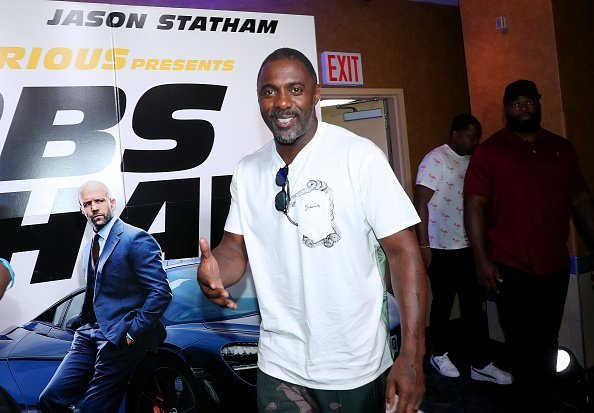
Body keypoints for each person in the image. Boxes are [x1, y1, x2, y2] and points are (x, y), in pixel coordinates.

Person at [197, 47, 427, 413]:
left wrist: (413, 354)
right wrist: (213, 274)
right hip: (278, 363)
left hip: (354, 364)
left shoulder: (358, 156)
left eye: (295, 89)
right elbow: (234, 248)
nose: (282, 102)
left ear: (316, 94)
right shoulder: (248, 169)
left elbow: (405, 254)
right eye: (269, 91)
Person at [464, 80, 594, 412]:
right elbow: (474, 205)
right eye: (515, 104)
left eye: (528, 102)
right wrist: (481, 260)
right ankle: (528, 402)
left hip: (555, 264)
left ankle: (545, 397)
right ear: (506, 109)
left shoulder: (561, 148)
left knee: (548, 338)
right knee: (521, 343)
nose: (523, 108)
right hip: (509, 266)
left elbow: (580, 199)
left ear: (538, 103)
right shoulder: (489, 151)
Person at [39, 181, 172, 413]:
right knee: (50, 399)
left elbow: (160, 292)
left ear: (112, 203)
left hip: (119, 337)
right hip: (87, 335)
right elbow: (95, 292)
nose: (94, 208)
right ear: (82, 210)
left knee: (94, 409)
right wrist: (81, 322)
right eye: (87, 204)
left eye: (99, 201)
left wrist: (132, 332)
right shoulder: (89, 245)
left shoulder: (135, 239)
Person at [414, 114, 512, 385]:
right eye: (471, 136)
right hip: (441, 248)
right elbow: (419, 202)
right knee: (443, 303)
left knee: (473, 306)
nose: (475, 141)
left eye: (478, 136)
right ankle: (438, 353)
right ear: (455, 134)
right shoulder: (436, 159)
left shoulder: (473, 160)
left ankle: (480, 363)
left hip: (470, 246)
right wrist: (423, 244)